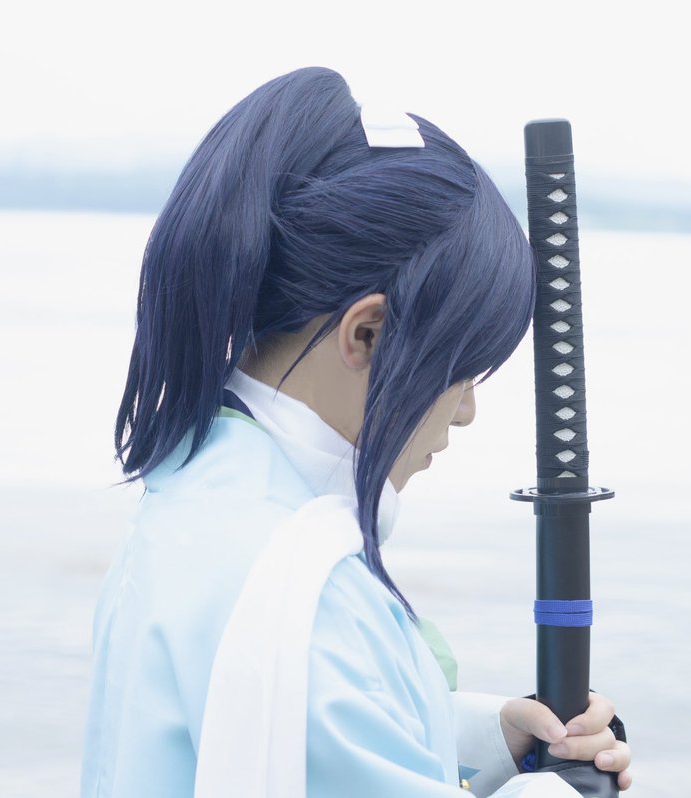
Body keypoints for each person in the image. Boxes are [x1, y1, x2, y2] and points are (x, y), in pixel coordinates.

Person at [80, 67, 633, 797]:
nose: (465, 411)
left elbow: (279, 738)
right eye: (459, 370)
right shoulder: (300, 593)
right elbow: (311, 687)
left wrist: (489, 741)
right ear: (367, 333)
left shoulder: (197, 488)